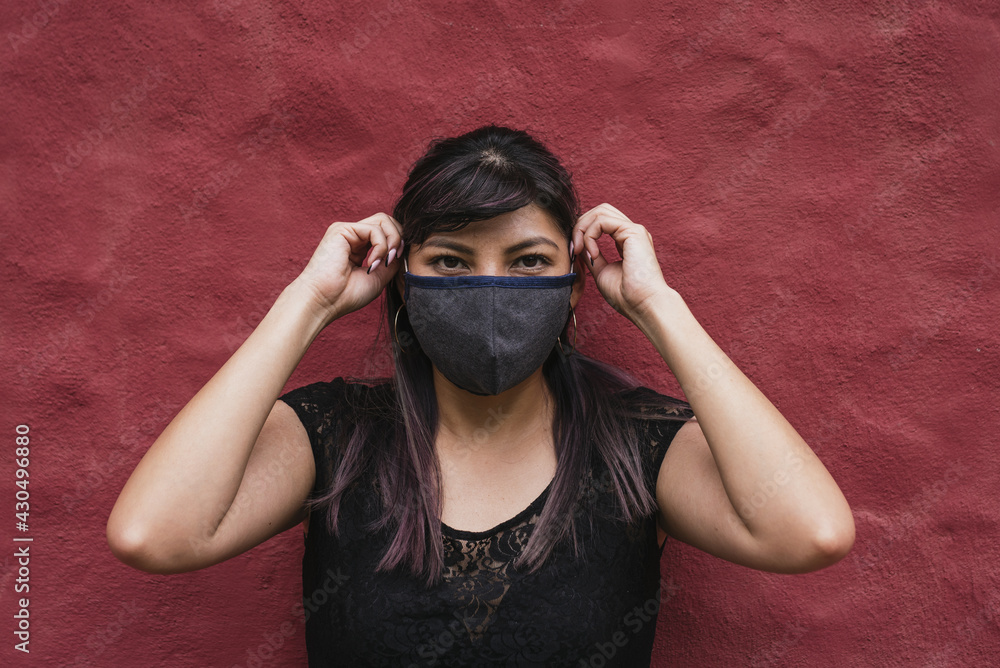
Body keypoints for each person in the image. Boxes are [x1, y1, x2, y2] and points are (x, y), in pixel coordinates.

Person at [106, 124, 855, 666]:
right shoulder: (337, 435)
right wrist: (309, 301)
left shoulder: (633, 445)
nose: (492, 288)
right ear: (404, 279)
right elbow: (153, 534)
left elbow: (810, 532)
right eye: (452, 261)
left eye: (529, 261)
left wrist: (659, 308)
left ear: (572, 286)